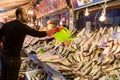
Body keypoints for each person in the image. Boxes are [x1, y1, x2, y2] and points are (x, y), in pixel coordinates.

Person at [0, 7, 62, 80]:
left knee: (3, 75)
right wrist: (54, 30)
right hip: (13, 58)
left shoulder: (8, 24)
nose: (27, 17)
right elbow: (37, 34)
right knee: (12, 77)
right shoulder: (22, 26)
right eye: (25, 15)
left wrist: (1, 43)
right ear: (19, 15)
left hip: (4, 55)